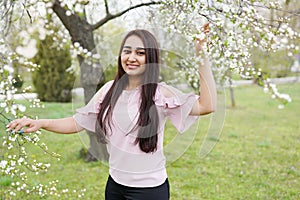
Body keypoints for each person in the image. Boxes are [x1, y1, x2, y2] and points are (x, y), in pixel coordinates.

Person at [7, 22, 217, 200]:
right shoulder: (109, 89)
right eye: (127, 51)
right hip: (115, 185)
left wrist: (201, 53)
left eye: (140, 53)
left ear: (150, 58)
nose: (132, 57)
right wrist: (41, 123)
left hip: (149, 191)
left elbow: (207, 106)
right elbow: (77, 122)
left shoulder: (160, 93)